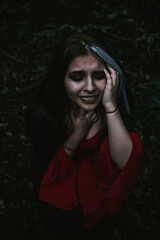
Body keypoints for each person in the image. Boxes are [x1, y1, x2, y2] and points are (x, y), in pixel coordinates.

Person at [26, 32, 143, 239]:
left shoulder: (112, 100)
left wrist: (110, 106)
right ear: (60, 78)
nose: (89, 88)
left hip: (100, 178)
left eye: (98, 76)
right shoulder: (44, 114)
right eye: (77, 77)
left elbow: (125, 160)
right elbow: (47, 171)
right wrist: (77, 134)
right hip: (63, 182)